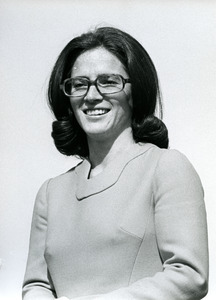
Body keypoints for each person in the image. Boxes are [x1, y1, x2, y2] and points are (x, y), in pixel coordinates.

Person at [22, 27, 209, 300]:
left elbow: (189, 275)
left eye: (108, 81)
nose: (92, 95)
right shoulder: (50, 194)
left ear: (136, 91)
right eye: (79, 84)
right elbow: (36, 285)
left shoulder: (166, 167)